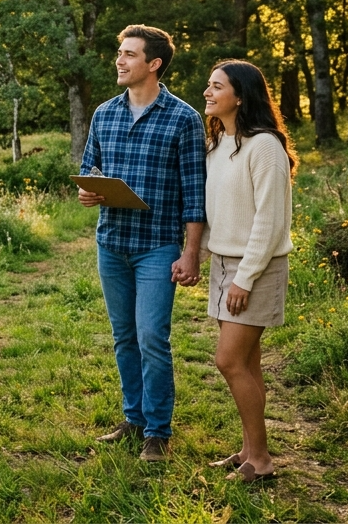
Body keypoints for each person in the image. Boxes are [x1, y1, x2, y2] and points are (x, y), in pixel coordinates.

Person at [79, 25, 206, 462]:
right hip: (111, 241)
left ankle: (158, 431)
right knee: (124, 336)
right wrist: (87, 189)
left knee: (152, 335)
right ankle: (133, 419)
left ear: (153, 64)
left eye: (129, 54)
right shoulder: (104, 113)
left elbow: (195, 192)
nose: (119, 60)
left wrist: (191, 252)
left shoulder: (184, 118)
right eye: (119, 52)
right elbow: (89, 166)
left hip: (158, 246)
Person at [201, 60, 296, 483]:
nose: (207, 92)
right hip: (225, 262)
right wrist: (200, 255)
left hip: (255, 267)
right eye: (208, 85)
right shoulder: (219, 143)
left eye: (216, 86)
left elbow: (269, 222)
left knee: (228, 360)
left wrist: (244, 277)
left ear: (240, 96)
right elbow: (219, 211)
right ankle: (249, 451)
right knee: (248, 363)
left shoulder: (265, 147)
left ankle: (260, 460)